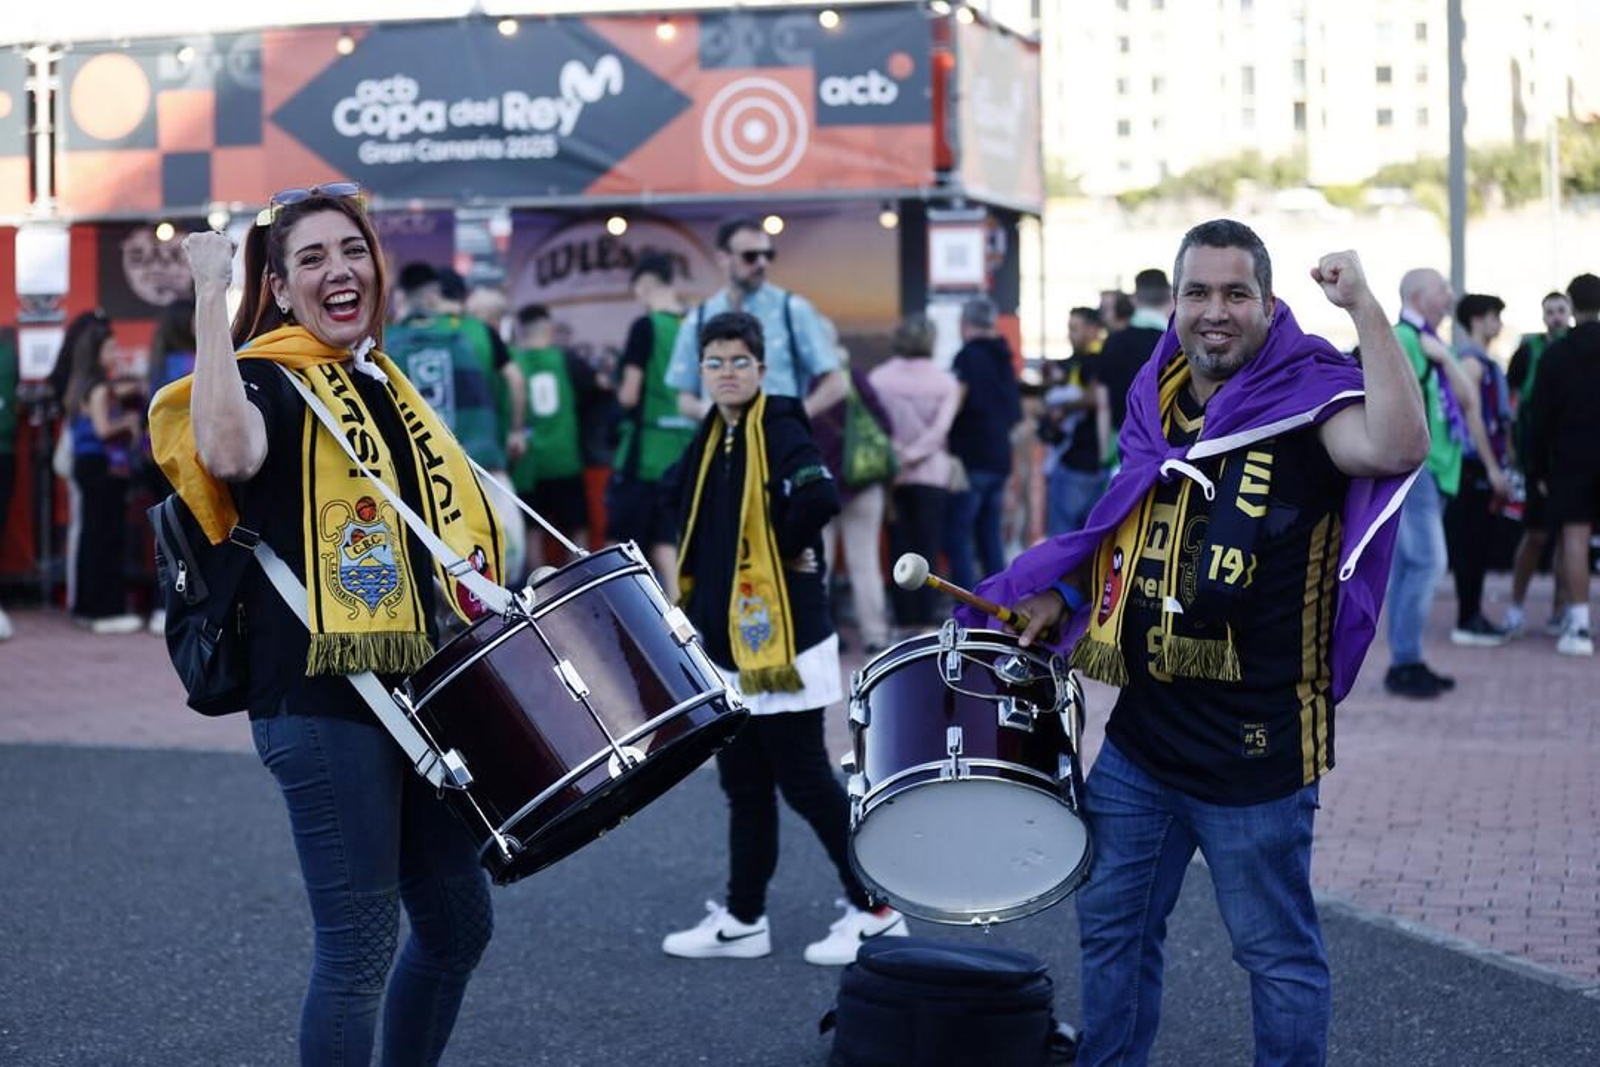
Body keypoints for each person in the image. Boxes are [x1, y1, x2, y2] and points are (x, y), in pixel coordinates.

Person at [958, 221, 1425, 1067]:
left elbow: (1399, 445)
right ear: (1174, 304)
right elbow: (1123, 524)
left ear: (1268, 303)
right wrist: (1064, 593)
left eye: (1236, 293)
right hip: (1143, 738)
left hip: (1257, 749)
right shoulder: (1156, 398)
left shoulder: (1310, 397)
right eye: (1199, 293)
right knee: (1111, 928)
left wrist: (1365, 310)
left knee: (1274, 956)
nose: (1217, 312)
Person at [149, 186, 505, 1066]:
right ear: (276, 286)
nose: (338, 270)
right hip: (317, 697)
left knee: (459, 928)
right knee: (357, 953)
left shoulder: (381, 379)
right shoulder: (268, 374)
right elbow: (228, 454)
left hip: (417, 691)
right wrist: (208, 292)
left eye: (352, 250)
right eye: (310, 259)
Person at [659, 310, 907, 965]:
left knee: (805, 780)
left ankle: (877, 906)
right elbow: (671, 496)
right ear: (701, 371)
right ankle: (744, 918)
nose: (727, 372)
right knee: (743, 784)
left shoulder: (780, 422)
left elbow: (818, 495)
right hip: (731, 647)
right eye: (715, 362)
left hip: (783, 641)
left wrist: (787, 546)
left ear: (762, 369)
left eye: (740, 361)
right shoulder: (715, 432)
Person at [1385, 268, 1509, 697]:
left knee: (1408, 565)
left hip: (1434, 471)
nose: (1450, 296)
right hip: (1418, 468)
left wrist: (1441, 355)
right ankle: (1405, 661)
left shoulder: (1429, 343)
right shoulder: (1403, 340)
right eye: (1442, 289)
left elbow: (1467, 399)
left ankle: (1404, 660)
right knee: (1427, 562)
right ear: (1419, 296)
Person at [388, 264, 528, 586]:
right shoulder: (475, 331)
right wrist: (516, 430)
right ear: (435, 294)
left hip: (423, 470)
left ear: (403, 297)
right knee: (505, 556)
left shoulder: (387, 340)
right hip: (482, 458)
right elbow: (515, 381)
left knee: (433, 561)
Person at [664, 216, 845, 422]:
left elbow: (836, 383)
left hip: (779, 444)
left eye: (767, 255)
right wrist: (707, 412)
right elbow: (683, 398)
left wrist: (796, 416)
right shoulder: (700, 317)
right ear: (723, 258)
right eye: (750, 256)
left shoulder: (793, 309)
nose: (761, 263)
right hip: (723, 445)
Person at [607, 253, 698, 595]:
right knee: (665, 540)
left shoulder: (645, 327)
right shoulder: (694, 326)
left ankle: (622, 612)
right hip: (683, 449)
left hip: (644, 453)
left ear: (644, 286)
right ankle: (681, 615)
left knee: (620, 543)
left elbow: (630, 394)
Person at [867, 313, 961, 633]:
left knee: (897, 547)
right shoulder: (944, 382)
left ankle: (903, 618)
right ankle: (924, 618)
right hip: (931, 474)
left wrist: (897, 455)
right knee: (928, 545)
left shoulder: (878, 378)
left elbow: (874, 427)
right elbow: (940, 430)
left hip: (891, 477)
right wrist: (915, 454)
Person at [809, 318, 896, 654]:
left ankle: (822, 636)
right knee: (865, 563)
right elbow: (884, 425)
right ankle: (875, 635)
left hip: (817, 486)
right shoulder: (855, 378)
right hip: (862, 483)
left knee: (818, 566)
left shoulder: (803, 384)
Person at [1525, 273, 1600, 657]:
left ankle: (1580, 626)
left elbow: (1540, 419)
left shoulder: (1556, 355)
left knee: (1574, 539)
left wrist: (1535, 469)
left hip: (1570, 459)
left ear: (1571, 305)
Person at [62, 314, 144, 634]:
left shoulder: (80, 385)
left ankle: (87, 607)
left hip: (87, 465)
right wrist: (127, 424)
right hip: (100, 465)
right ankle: (105, 610)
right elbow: (103, 429)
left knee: (92, 536)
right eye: (110, 348)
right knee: (106, 537)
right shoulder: (97, 388)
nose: (115, 354)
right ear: (96, 352)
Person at [1444, 294, 1515, 646]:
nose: (1498, 324)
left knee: (1477, 544)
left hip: (1479, 467)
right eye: (1493, 317)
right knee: (1472, 545)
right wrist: (1492, 468)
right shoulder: (1471, 364)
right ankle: (1467, 619)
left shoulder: (1479, 362)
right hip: (1473, 469)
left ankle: (1472, 616)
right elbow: (1474, 422)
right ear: (1477, 320)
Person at [509, 303, 598, 575]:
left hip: (526, 462)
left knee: (532, 529)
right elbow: (596, 387)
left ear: (519, 331)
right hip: (564, 458)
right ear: (549, 328)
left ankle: (539, 591)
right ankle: (579, 582)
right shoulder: (567, 360)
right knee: (577, 526)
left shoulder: (511, 361)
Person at [1504, 290, 1574, 638]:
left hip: (1572, 459)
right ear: (1543, 315)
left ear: (1571, 312)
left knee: (1569, 537)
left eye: (1561, 310)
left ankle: (1562, 609)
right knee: (1536, 535)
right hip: (1537, 459)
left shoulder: (1580, 351)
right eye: (1551, 311)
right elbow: (1510, 400)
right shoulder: (1529, 351)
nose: (1556, 317)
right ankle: (1515, 607)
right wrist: (1512, 445)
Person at [944, 296, 1022, 593]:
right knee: (990, 536)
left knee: (958, 537)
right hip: (999, 458)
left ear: (965, 324)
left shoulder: (967, 357)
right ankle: (996, 602)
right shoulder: (1004, 358)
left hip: (971, 459)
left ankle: (966, 603)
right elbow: (1015, 415)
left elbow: (956, 402)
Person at [1042, 306, 1111, 536]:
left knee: (1060, 543)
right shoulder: (1102, 358)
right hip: (1101, 464)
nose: (1070, 335)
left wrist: (1063, 407)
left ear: (1092, 329)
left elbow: (1094, 398)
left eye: (1075, 328)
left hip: (1077, 463)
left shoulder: (1093, 361)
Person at [1095, 269, 1172, 464]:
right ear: (1169, 296)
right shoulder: (1173, 343)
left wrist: (1104, 454)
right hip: (1165, 450)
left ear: (1135, 298)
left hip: (1122, 447)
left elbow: (1103, 404)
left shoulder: (1113, 342)